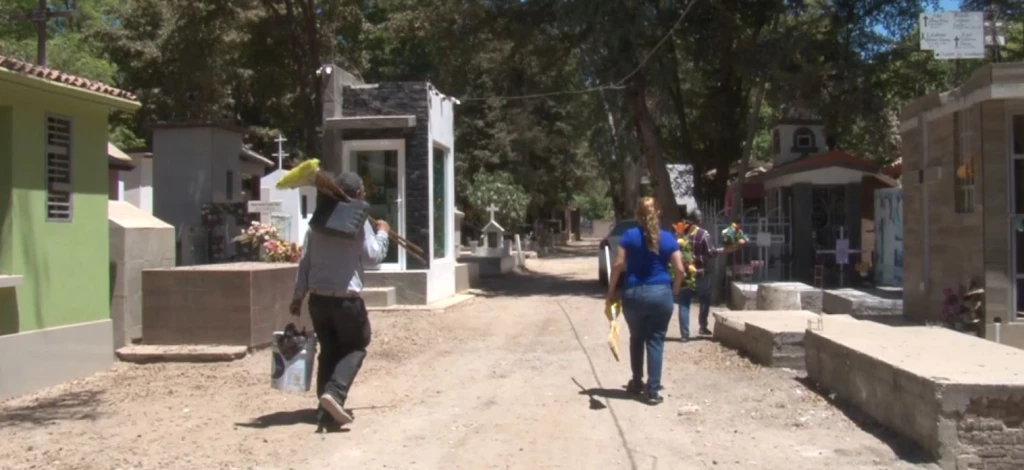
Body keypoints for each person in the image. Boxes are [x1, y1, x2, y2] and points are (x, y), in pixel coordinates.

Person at [289, 172, 390, 432]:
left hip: (318, 300)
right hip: (347, 300)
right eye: (362, 192)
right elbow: (372, 256)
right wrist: (382, 233)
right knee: (357, 344)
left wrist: (298, 296)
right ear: (355, 195)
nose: (364, 196)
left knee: (330, 350)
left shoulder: (318, 220)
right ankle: (334, 394)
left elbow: (306, 261)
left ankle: (325, 411)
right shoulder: (359, 221)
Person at [606, 197, 686, 405]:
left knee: (636, 338)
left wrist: (611, 290)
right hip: (661, 294)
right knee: (655, 341)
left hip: (633, 294)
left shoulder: (629, 237)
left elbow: (617, 265)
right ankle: (652, 390)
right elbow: (679, 269)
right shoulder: (668, 238)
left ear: (636, 215)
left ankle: (636, 381)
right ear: (657, 213)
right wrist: (675, 288)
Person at [676, 209, 737, 340]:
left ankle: (684, 335)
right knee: (704, 299)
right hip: (702, 272)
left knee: (684, 302)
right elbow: (711, 252)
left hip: (686, 274)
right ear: (700, 220)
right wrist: (724, 249)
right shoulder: (703, 234)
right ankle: (703, 326)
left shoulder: (681, 234)